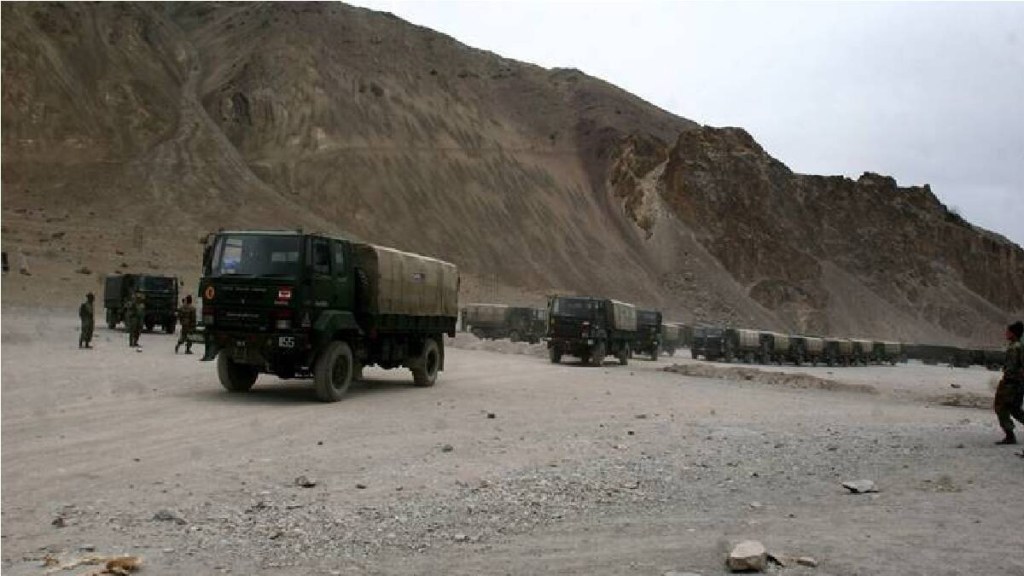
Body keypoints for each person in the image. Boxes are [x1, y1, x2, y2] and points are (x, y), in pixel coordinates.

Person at [993, 320, 1024, 445]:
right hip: (1013, 382)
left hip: (1012, 383)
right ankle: (1009, 435)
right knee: (1015, 410)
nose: (1006, 333)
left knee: (1001, 407)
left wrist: (1017, 379)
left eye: (1008, 331)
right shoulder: (1015, 346)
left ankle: (1010, 436)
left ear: (1013, 333)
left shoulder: (1017, 347)